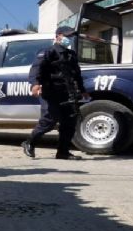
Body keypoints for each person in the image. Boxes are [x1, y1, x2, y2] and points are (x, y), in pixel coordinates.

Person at [21, 26, 91, 160]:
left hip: (68, 93)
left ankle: (63, 152)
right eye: (67, 35)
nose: (69, 38)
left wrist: (83, 91)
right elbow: (36, 69)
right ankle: (29, 142)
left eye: (71, 36)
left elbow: (77, 74)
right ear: (58, 36)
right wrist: (35, 84)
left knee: (69, 123)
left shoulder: (71, 54)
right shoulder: (48, 51)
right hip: (51, 92)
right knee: (49, 121)